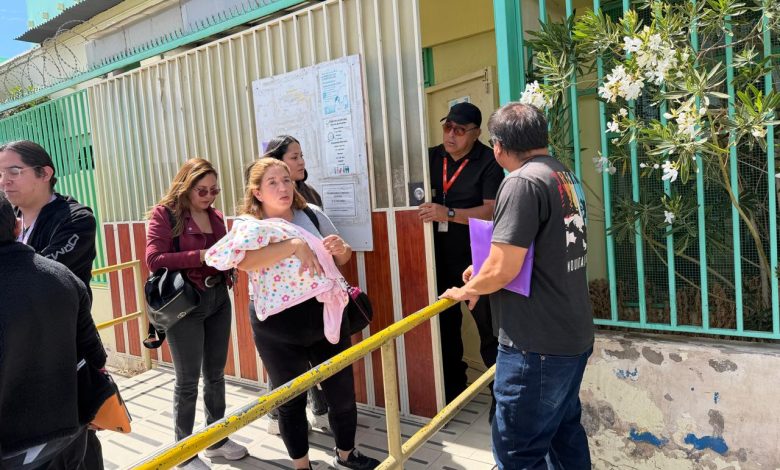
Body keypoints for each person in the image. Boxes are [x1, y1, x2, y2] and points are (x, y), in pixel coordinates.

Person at [441, 103, 594, 469]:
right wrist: (483, 270)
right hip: (570, 335)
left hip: (534, 344)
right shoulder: (562, 175)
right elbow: (535, 250)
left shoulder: (521, 181)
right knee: (564, 437)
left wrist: (467, 290)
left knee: (516, 453)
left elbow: (504, 268)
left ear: (498, 146)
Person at [206, 158, 379, 470]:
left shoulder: (311, 213)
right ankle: (302, 465)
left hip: (325, 314)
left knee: (341, 392)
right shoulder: (249, 225)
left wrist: (341, 249)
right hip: (277, 326)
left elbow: (343, 257)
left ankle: (346, 455)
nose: (283, 187)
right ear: (257, 192)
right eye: (272, 183)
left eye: (286, 180)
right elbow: (244, 263)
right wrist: (292, 245)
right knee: (290, 400)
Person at [0, 139, 103, 469]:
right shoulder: (11, 218)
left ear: (45, 173)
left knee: (76, 434)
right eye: (0, 173)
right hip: (14, 352)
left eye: (14, 171)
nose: (4, 181)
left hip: (61, 345)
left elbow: (43, 277)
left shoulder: (74, 219)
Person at [145, 158, 248, 470]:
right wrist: (200, 256)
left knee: (216, 375)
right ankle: (185, 452)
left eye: (214, 190)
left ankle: (216, 440)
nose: (209, 196)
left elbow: (223, 252)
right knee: (188, 380)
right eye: (202, 190)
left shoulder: (215, 215)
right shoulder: (166, 214)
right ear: (186, 186)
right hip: (186, 303)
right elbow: (154, 259)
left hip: (218, 298)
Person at [419, 102, 505, 406]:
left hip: (474, 258)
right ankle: (451, 391)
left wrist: (449, 213)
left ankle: (501, 399)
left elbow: (491, 210)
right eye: (447, 127)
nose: (451, 135)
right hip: (435, 256)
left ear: (476, 133)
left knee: (487, 328)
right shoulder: (430, 157)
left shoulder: (488, 161)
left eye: (459, 130)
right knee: (442, 325)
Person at [262, 134, 329, 433]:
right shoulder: (264, 205)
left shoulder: (310, 196)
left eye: (301, 155)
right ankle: (278, 414)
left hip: (315, 288)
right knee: (285, 359)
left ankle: (320, 409)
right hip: (282, 295)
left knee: (316, 352)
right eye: (294, 157)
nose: (301, 162)